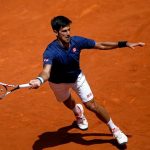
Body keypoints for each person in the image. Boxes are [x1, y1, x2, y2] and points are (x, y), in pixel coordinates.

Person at [29, 16, 145, 145]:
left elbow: (100, 45)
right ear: (55, 32)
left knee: (92, 105)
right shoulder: (50, 51)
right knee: (67, 102)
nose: (68, 34)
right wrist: (39, 80)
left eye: (69, 30)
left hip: (77, 78)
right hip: (57, 83)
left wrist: (124, 43)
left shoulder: (76, 41)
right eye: (64, 31)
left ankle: (115, 129)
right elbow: (46, 71)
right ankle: (77, 112)